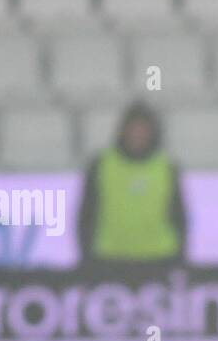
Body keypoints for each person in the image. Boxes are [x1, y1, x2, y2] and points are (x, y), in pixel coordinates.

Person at [77, 102, 188, 264]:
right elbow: (86, 214)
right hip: (109, 258)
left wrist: (180, 257)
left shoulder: (167, 167)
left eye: (143, 130)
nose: (138, 135)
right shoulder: (101, 164)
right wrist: (86, 256)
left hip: (160, 258)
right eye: (133, 129)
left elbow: (179, 217)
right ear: (123, 131)